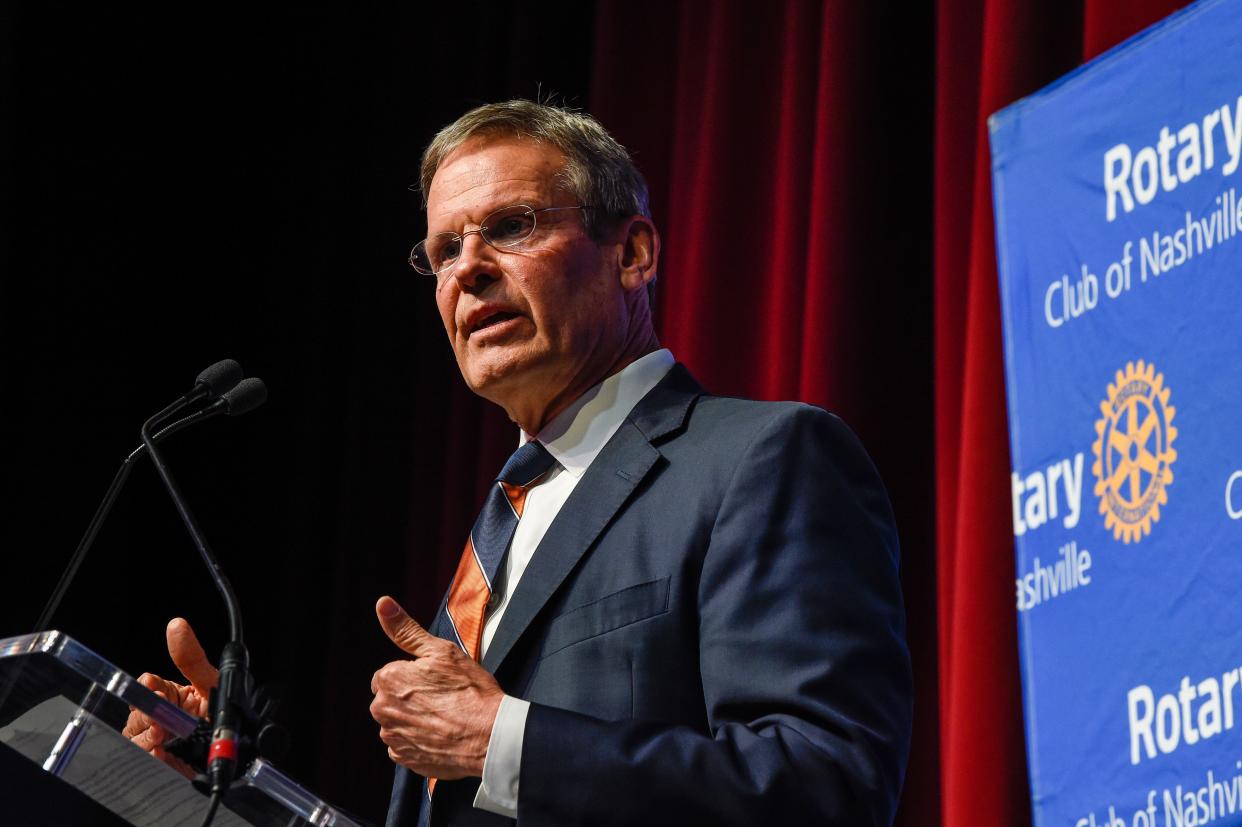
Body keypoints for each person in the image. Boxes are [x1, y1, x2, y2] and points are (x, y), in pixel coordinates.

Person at [125, 100, 912, 826]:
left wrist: (505, 740)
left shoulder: (761, 460)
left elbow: (826, 783)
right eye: (443, 250)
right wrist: (227, 777)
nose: (466, 269)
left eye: (509, 226)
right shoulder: (505, 521)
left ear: (631, 251)